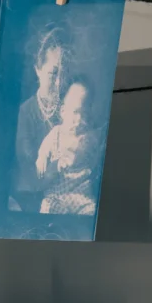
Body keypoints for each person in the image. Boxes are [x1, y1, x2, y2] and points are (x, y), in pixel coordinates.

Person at [12, 27, 67, 211]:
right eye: (53, 73)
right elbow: (29, 163)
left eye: (61, 73)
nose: (58, 82)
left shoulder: (69, 107)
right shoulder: (26, 112)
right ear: (38, 70)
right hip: (32, 196)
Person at [36, 80, 101, 216]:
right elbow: (44, 148)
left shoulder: (88, 137)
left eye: (85, 114)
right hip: (57, 194)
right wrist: (41, 158)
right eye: (76, 112)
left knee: (92, 211)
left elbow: (98, 153)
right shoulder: (56, 132)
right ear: (63, 112)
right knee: (48, 207)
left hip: (81, 195)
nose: (79, 119)